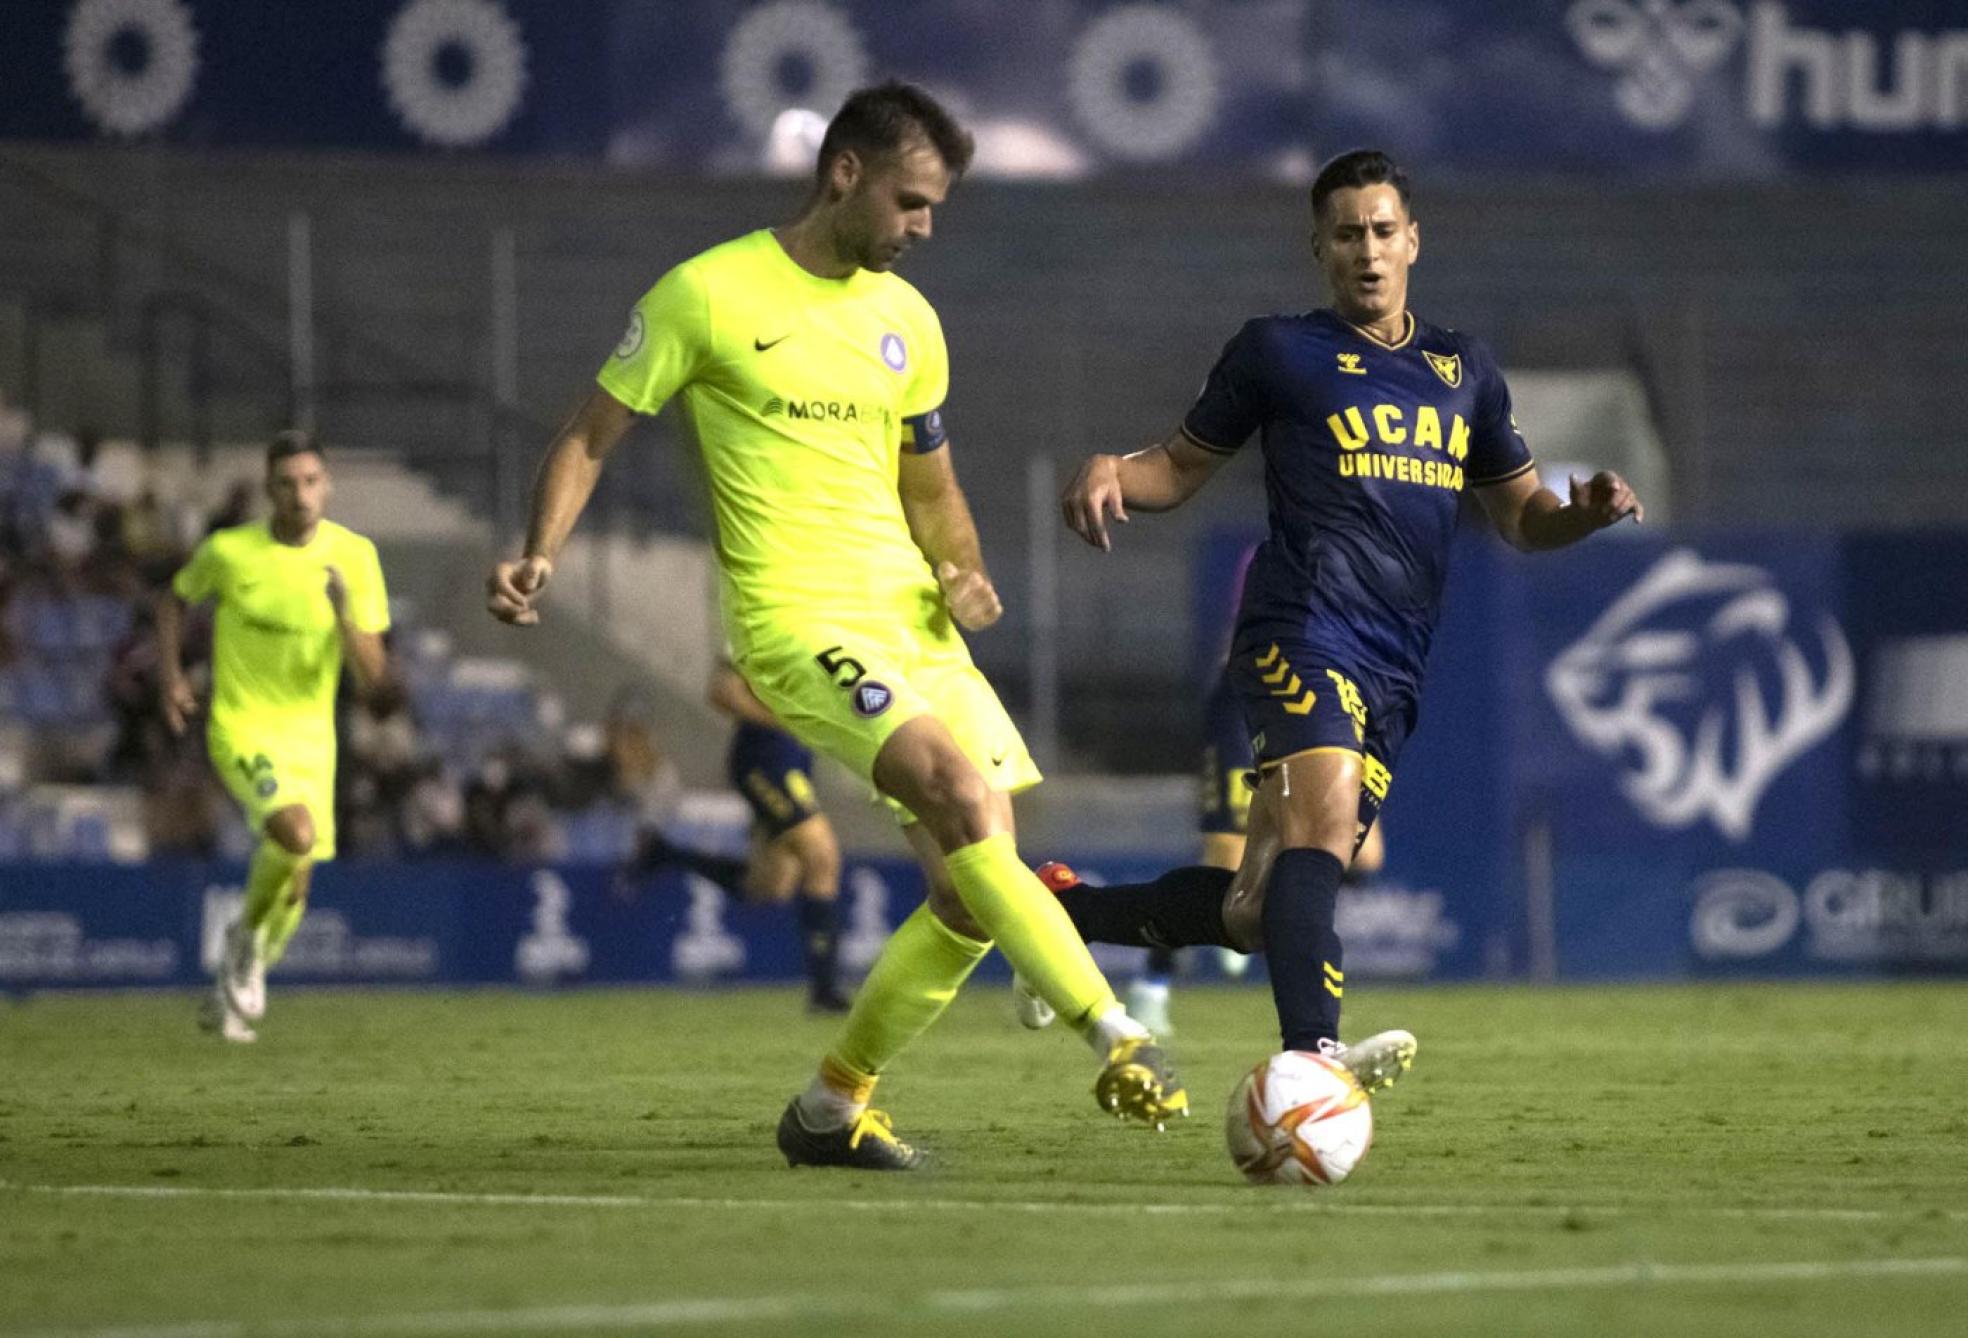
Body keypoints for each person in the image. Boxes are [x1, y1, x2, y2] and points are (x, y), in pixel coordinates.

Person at [486, 81, 1182, 1171]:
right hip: (797, 619)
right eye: (911, 203)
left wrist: (963, 572)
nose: (924, 229)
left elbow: (933, 488)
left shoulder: (908, 324)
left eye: (936, 208)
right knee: (962, 798)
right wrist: (539, 551)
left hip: (911, 619)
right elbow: (588, 436)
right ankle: (1119, 1035)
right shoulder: (706, 296)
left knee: (965, 885)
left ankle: (831, 1104)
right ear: (844, 173)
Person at [1055, 148, 1642, 1093]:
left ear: (1413, 240)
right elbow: (1176, 467)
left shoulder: (1465, 371)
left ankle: (1061, 913)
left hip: (1397, 665)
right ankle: (1312, 1064)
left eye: (1381, 231)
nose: (1366, 251)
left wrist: (1584, 510)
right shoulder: (1278, 352)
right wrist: (1111, 469)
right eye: (1345, 235)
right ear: (1318, 250)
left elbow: (1523, 516)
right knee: (1327, 834)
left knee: (1254, 909)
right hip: (1300, 631)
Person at [158, 430, 390, 1043]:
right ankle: (243, 946)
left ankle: (242, 970)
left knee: (297, 885)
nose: (301, 494)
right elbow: (174, 601)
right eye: (287, 483)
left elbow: (377, 678)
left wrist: (342, 611)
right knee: (295, 833)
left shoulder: (355, 557)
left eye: (311, 481)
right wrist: (172, 677)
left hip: (314, 740)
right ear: (269, 489)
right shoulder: (231, 552)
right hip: (242, 725)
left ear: (328, 485)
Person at [623, 660, 851, 1013]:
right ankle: (826, 991)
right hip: (766, 759)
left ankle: (666, 854)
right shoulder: (756, 622)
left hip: (794, 759)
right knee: (822, 854)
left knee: (769, 886)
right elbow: (723, 692)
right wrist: (783, 720)